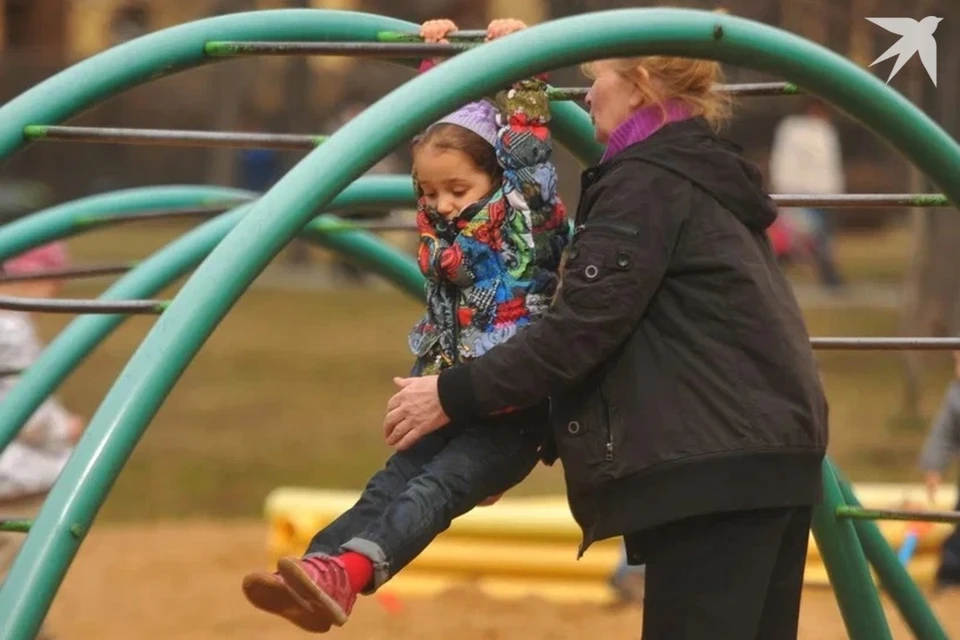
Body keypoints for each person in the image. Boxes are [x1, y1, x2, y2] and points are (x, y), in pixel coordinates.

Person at [384, 52, 829, 639]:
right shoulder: (700, 172)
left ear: (639, 87)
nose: (588, 97)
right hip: (769, 452)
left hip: (713, 469)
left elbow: (578, 332)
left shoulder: (647, 181)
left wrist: (453, 395)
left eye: (599, 82)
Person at [241, 18, 568, 633]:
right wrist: (437, 64)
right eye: (430, 192)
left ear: (494, 179)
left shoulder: (525, 215)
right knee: (384, 488)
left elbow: (528, 153)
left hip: (511, 412)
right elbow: (438, 130)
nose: (442, 203)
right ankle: (316, 573)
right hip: (451, 399)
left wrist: (523, 64)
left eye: (458, 189)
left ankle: (353, 574)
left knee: (427, 494)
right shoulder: (439, 225)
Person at [0, 242, 86, 640]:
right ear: (29, 278)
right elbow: (24, 408)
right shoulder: (9, 329)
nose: (58, 289)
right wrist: (63, 428)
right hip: (14, 482)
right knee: (20, 584)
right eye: (54, 279)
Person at [769, 98, 845, 288]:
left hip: (824, 194)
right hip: (799, 192)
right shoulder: (793, 129)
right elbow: (784, 161)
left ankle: (829, 277)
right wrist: (784, 188)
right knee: (801, 236)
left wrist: (835, 190)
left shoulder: (825, 130)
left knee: (818, 238)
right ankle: (828, 277)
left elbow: (830, 165)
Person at [918, 350, 960, 592]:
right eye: (957, 362)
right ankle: (951, 574)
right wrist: (934, 467)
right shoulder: (955, 395)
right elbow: (943, 434)